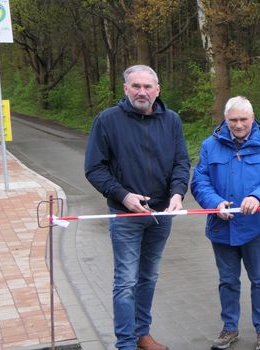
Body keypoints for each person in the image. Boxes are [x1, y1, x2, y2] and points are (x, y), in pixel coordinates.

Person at [84, 64, 190, 350]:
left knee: (148, 277)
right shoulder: (107, 121)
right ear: (125, 89)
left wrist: (178, 193)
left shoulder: (172, 120)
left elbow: (182, 163)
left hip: (160, 216)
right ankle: (125, 344)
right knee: (126, 281)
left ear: (158, 90)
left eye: (147, 87)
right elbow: (94, 168)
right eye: (136, 86)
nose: (142, 91)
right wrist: (123, 196)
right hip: (125, 215)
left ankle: (142, 333)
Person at [190, 96, 260, 350]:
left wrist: (258, 196)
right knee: (227, 281)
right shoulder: (210, 146)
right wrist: (214, 202)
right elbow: (200, 181)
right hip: (221, 226)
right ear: (226, 119)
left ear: (252, 118)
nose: (239, 124)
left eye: (243, 119)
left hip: (257, 227)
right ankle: (229, 328)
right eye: (233, 120)